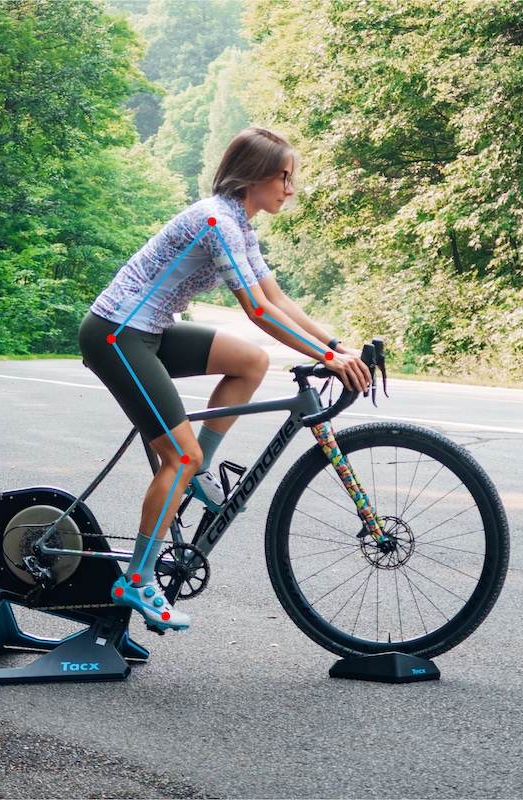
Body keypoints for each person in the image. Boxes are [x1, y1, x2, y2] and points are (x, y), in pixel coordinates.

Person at [77, 127, 371, 631]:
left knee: (251, 362)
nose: (291, 188)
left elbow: (277, 299)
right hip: (116, 335)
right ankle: (137, 579)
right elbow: (256, 309)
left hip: (150, 330)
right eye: (285, 177)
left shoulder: (239, 223)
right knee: (180, 455)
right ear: (254, 176)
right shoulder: (216, 221)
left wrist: (336, 346)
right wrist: (326, 355)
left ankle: (198, 476)